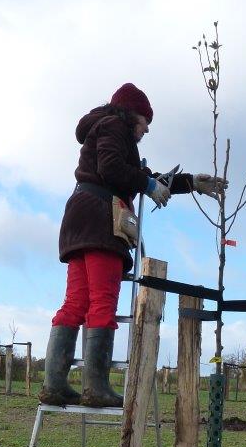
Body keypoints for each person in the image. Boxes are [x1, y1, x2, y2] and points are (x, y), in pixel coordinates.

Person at [39, 83, 226, 408]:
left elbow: (133, 173)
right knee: (102, 301)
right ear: (131, 114)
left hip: (80, 217)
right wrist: (148, 184)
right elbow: (113, 169)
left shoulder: (102, 127)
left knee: (75, 302)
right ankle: (95, 388)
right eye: (144, 121)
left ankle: (54, 385)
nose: (146, 130)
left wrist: (191, 183)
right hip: (102, 219)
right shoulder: (115, 126)